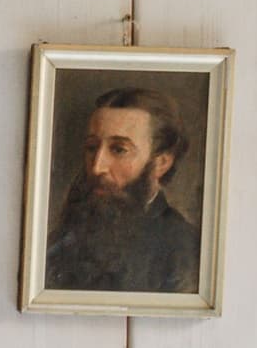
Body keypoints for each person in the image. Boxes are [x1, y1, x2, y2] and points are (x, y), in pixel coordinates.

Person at [44, 84, 203, 297]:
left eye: (119, 149)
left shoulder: (184, 249)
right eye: (92, 147)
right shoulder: (67, 234)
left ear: (161, 163)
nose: (97, 167)